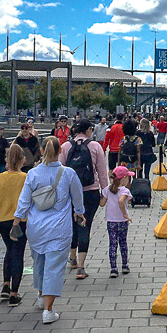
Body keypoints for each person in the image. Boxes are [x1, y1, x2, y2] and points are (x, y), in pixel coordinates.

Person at [15, 136, 85, 324]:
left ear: (41, 150)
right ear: (60, 150)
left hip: (36, 226)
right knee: (54, 266)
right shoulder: (68, 173)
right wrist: (80, 212)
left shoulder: (33, 173)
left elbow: (24, 199)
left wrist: (17, 219)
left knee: (39, 261)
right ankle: (48, 309)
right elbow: (77, 197)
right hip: (59, 227)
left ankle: (40, 296)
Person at [60, 120, 108, 280]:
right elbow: (102, 172)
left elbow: (60, 171)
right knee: (85, 225)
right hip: (90, 191)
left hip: (70, 193)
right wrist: (105, 193)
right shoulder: (95, 147)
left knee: (72, 225)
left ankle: (72, 258)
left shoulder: (66, 147)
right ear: (88, 130)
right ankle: (81, 267)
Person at [0, 143, 28, 305]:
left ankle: (6, 283)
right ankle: (14, 292)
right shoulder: (25, 178)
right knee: (18, 254)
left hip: (3, 220)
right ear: (22, 160)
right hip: (21, 222)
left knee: (9, 250)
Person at [101, 165, 133, 278]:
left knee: (112, 243)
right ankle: (124, 265)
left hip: (110, 221)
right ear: (124, 178)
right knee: (123, 243)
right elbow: (121, 201)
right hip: (122, 221)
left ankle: (113, 268)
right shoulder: (125, 190)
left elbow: (102, 204)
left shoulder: (107, 190)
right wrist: (125, 213)